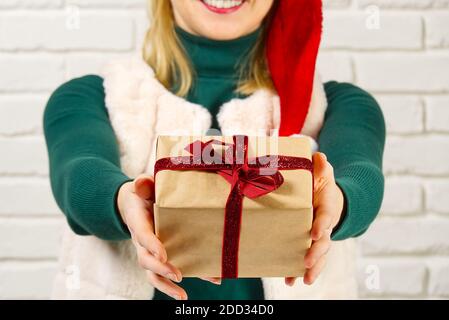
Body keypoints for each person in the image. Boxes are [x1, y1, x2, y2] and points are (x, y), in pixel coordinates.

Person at [44, 0, 385, 300]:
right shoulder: (89, 97)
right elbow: (79, 170)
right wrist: (124, 201)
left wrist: (336, 202)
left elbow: (360, 173)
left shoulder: (337, 106)